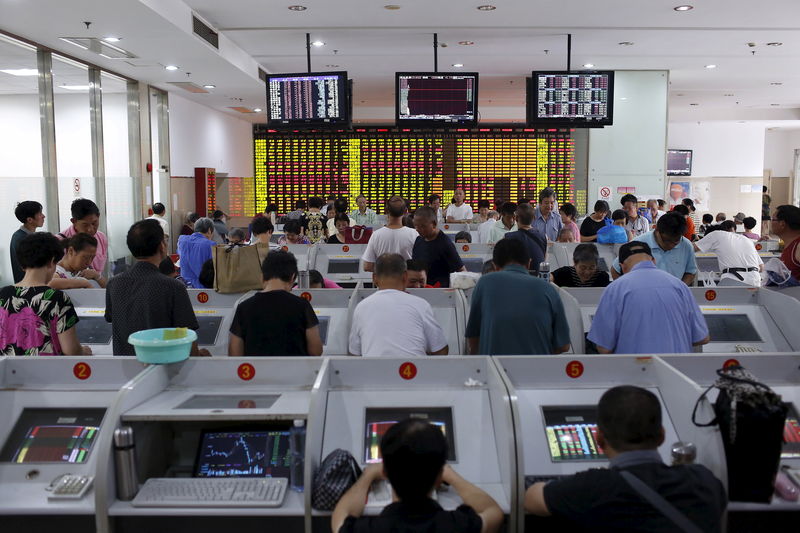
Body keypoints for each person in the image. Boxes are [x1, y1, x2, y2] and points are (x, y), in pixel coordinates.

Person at [525, 385, 726, 532]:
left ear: (599, 439)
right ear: (662, 435)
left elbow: (531, 500)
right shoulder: (704, 481)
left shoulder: (591, 487)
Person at [332, 418, 503, 533]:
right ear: (438, 477)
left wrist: (367, 476)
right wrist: (451, 476)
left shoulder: (371, 528)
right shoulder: (458, 525)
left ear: (385, 472)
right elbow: (493, 511)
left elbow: (340, 517)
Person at [105, 219, 208, 357]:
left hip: (123, 368)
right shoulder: (173, 287)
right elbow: (186, 336)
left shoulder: (113, 284)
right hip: (163, 367)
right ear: (162, 246)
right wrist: (200, 356)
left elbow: (111, 318)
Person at [591, 241, 709, 353]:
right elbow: (702, 338)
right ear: (653, 260)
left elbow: (604, 347)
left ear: (622, 266)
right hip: (679, 371)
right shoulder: (680, 286)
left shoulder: (615, 289)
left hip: (635, 371)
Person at [466, 238, 570, 355]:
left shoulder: (484, 283)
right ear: (529, 263)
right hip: (538, 370)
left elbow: (473, 337)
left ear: (495, 266)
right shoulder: (549, 289)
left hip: (494, 369)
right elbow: (564, 346)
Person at [0, 233, 90, 356]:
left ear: (21, 264)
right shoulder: (57, 298)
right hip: (47, 372)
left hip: (7, 373)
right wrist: (83, 351)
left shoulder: (3, 294)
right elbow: (71, 351)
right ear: (52, 262)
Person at [349, 254, 448, 357]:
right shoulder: (421, 305)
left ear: (374, 278)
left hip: (374, 371)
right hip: (413, 371)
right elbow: (441, 350)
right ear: (405, 276)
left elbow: (354, 353)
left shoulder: (361, 307)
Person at [228, 250, 323, 357]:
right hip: (295, 372)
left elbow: (235, 354)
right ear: (292, 277)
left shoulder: (243, 307)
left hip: (257, 373)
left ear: (262, 277)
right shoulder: (302, 306)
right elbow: (315, 351)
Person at [611, 212, 698, 285]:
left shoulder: (686, 246)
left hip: (672, 296)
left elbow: (690, 272)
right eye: (667, 241)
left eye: (676, 242)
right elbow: (615, 269)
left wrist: (680, 288)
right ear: (656, 230)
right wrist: (625, 289)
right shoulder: (638, 244)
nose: (671, 245)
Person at [694, 222, 763, 286]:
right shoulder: (747, 239)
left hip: (733, 279)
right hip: (755, 279)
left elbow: (693, 248)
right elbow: (761, 267)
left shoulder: (716, 234)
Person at [412, 207, 465, 288]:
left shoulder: (445, 244)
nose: (417, 229)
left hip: (440, 293)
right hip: (421, 291)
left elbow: (461, 271)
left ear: (433, 223)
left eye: (422, 226)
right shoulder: (418, 240)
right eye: (416, 225)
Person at [362, 196, 419, 272]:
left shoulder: (376, 235)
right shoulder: (414, 234)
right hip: (406, 282)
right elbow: (421, 263)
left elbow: (367, 266)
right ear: (405, 212)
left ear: (386, 211)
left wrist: (386, 270)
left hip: (384, 282)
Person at [58, 198, 108, 273]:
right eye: (85, 225)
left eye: (94, 223)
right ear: (73, 221)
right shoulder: (58, 242)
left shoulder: (102, 238)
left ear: (99, 217)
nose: (90, 229)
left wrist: (97, 277)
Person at [504, 203, 547, 273]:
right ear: (534, 218)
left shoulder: (508, 237)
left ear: (516, 218)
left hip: (516, 278)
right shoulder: (543, 237)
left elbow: (504, 263)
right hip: (537, 280)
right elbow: (543, 261)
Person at [10, 200, 45, 283]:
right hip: (29, 288)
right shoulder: (22, 239)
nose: (44, 216)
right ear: (30, 220)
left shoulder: (24, 236)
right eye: (40, 214)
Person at [176, 217, 216, 288]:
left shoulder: (181, 240)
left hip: (185, 286)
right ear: (209, 230)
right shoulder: (211, 245)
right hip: (204, 288)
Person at [772, 204, 800, 281]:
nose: (770, 223)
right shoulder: (788, 244)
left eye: (773, 219)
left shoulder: (798, 246)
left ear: (782, 224)